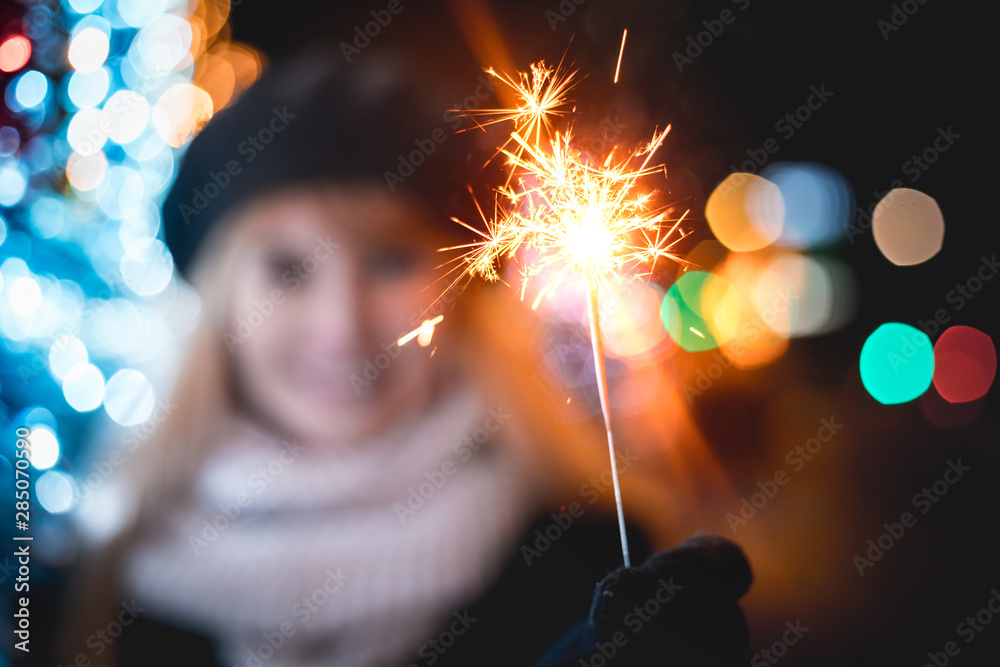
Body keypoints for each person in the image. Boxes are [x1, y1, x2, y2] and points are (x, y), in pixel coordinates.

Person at [58, 46, 753, 667]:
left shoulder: (601, 574)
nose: (342, 327)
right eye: (288, 269)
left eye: (391, 260)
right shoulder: (91, 590)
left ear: (465, 299)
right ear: (219, 301)